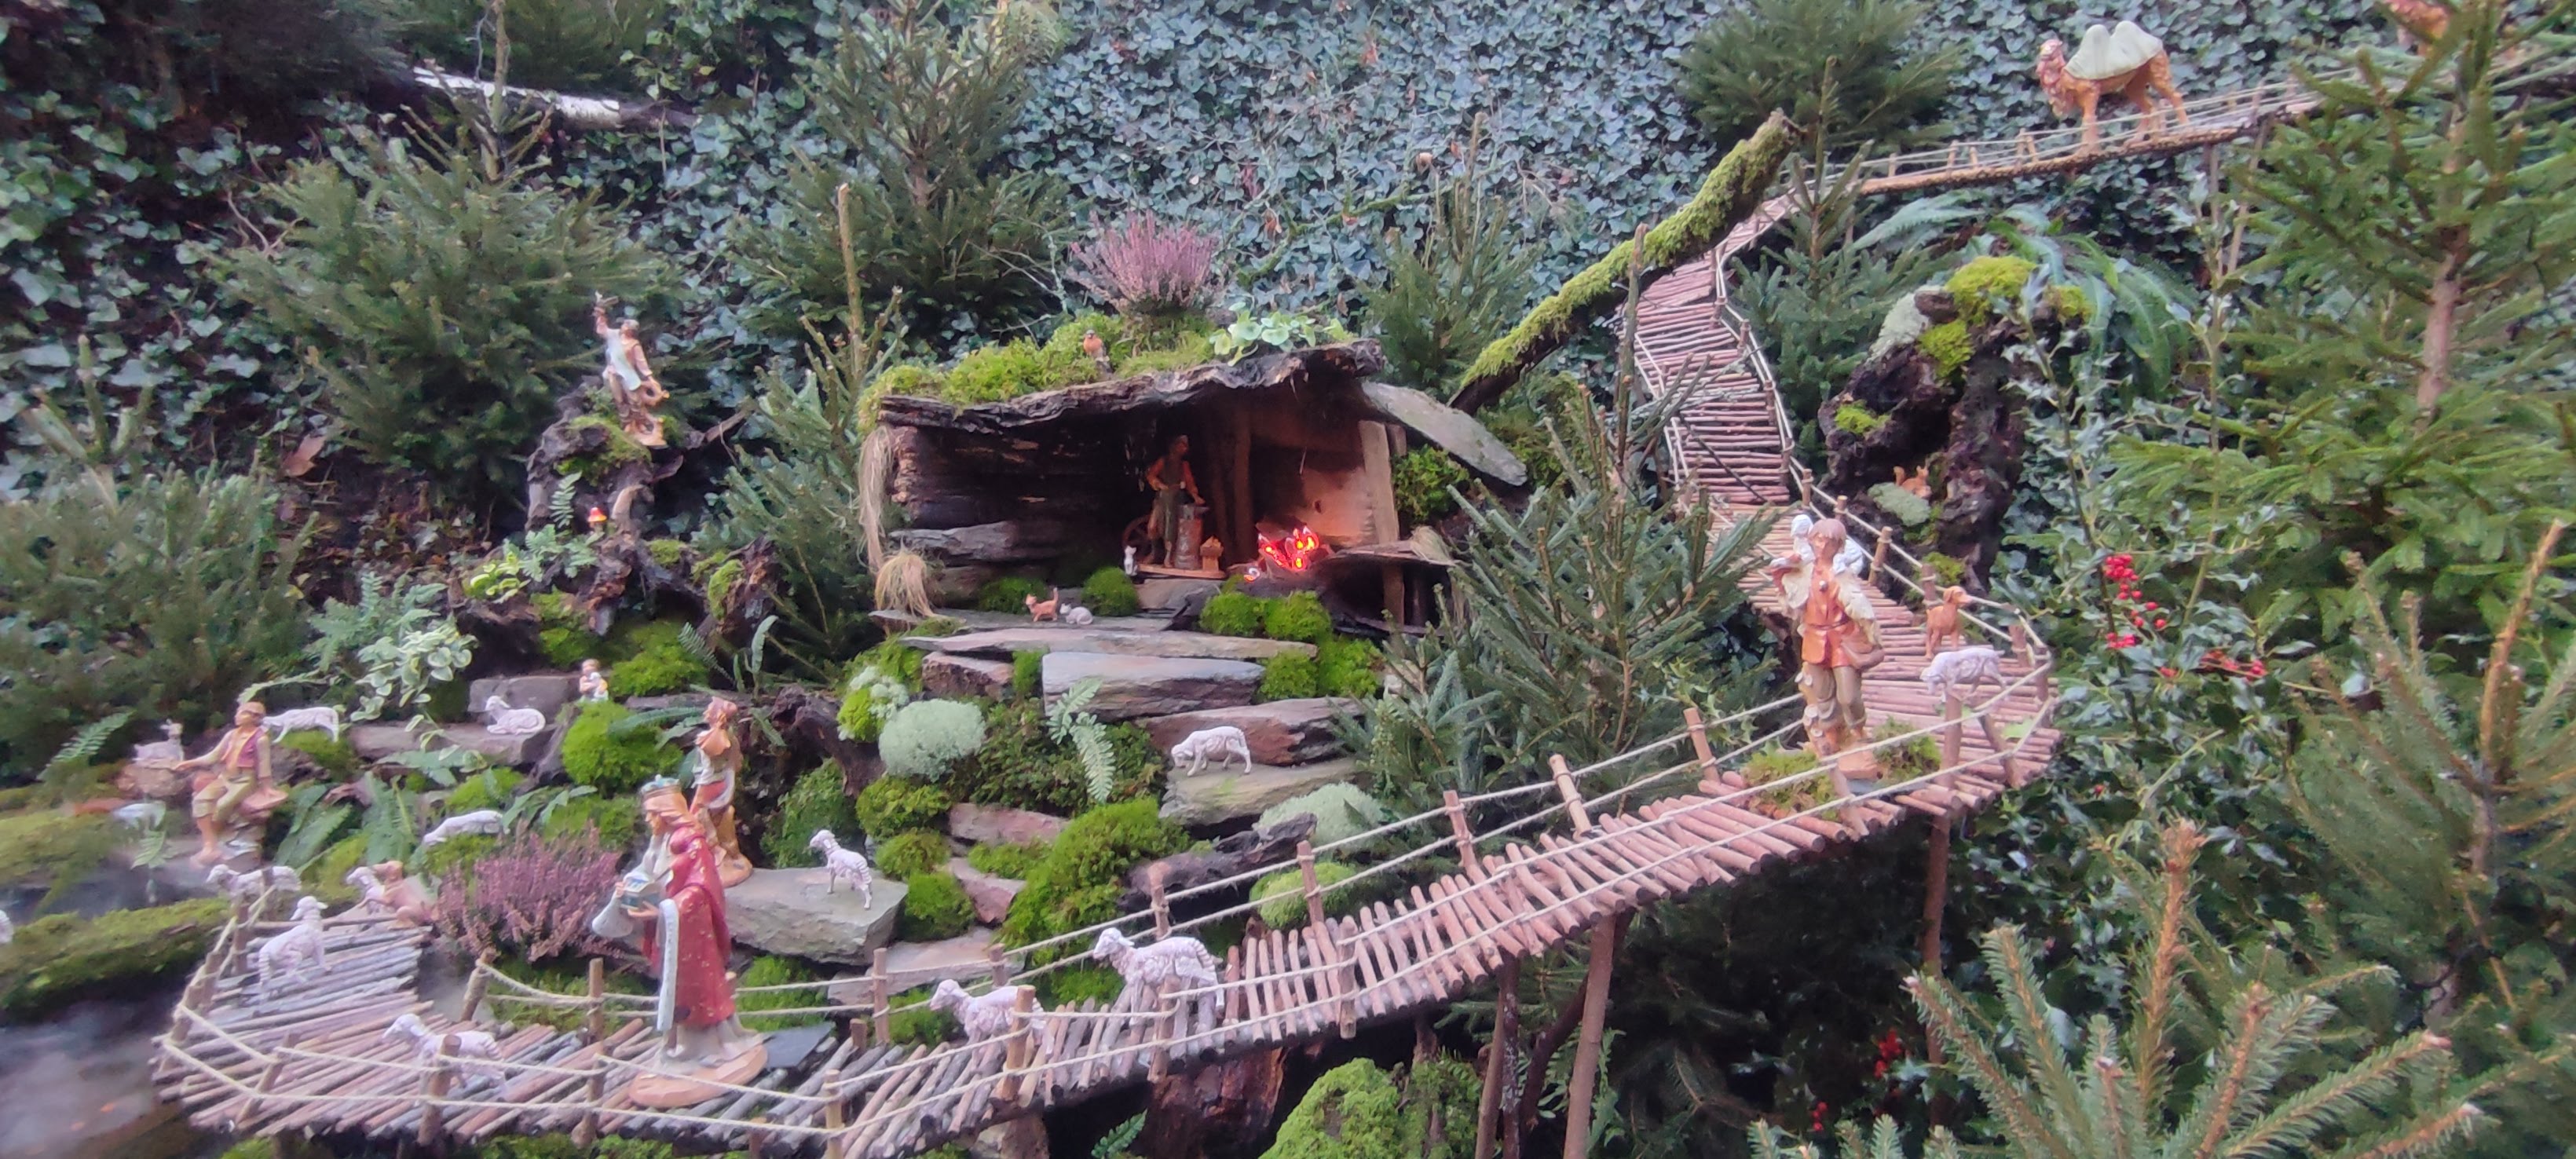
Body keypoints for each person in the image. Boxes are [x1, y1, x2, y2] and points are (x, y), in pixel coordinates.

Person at [606, 780, 763, 1104]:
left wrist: (665, 909)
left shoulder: (692, 842)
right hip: (670, 932)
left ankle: (707, 1047)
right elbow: (648, 872)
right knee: (672, 988)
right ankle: (681, 1046)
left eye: (653, 814)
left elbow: (699, 889)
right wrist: (629, 888)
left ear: (667, 813)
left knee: (695, 989)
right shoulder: (661, 842)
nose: (648, 820)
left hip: (691, 935)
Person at [1766, 516, 1882, 787]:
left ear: (1839, 546)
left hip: (1842, 638)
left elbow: (1858, 604)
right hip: (1815, 638)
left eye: (1829, 542)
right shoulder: (1804, 569)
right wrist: (1781, 579)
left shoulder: (1842, 573)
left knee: (1848, 695)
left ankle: (1859, 731)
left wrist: (1872, 634)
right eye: (1818, 540)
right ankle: (1831, 738)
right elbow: (1792, 603)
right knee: (1822, 693)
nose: (1822, 546)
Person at [177, 701, 277, 866]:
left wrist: (267, 787)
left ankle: (218, 843)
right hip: (225, 777)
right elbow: (214, 756)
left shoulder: (261, 739)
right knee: (200, 800)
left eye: (242, 713)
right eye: (238, 712)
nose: (237, 716)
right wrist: (190, 763)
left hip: (245, 780)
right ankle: (209, 845)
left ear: (254, 717)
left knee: (223, 805)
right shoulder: (232, 735)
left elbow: (264, 765)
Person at [690, 697, 753, 886]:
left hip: (710, 784)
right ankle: (714, 852)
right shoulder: (726, 736)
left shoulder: (716, 738)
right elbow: (734, 764)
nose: (706, 712)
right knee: (710, 816)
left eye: (710, 709)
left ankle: (714, 852)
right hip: (716, 782)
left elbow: (713, 766)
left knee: (696, 817)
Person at [594, 298, 668, 448]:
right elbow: (602, 330)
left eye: (626, 325)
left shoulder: (634, 344)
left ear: (630, 330)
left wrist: (650, 378)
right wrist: (601, 314)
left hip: (629, 376)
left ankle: (640, 424)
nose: (623, 326)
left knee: (635, 400)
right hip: (614, 373)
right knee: (620, 400)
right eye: (624, 325)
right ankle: (627, 424)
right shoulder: (614, 336)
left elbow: (641, 363)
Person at [1144, 434, 1204, 567]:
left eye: (1185, 447)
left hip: (1175, 500)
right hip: (1162, 499)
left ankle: (1169, 557)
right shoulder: (1163, 461)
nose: (1183, 449)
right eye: (1181, 446)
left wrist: (1195, 496)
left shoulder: (1184, 465)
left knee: (1171, 528)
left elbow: (1189, 482)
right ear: (1174, 446)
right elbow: (1151, 475)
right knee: (1152, 527)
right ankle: (1155, 552)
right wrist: (1159, 485)